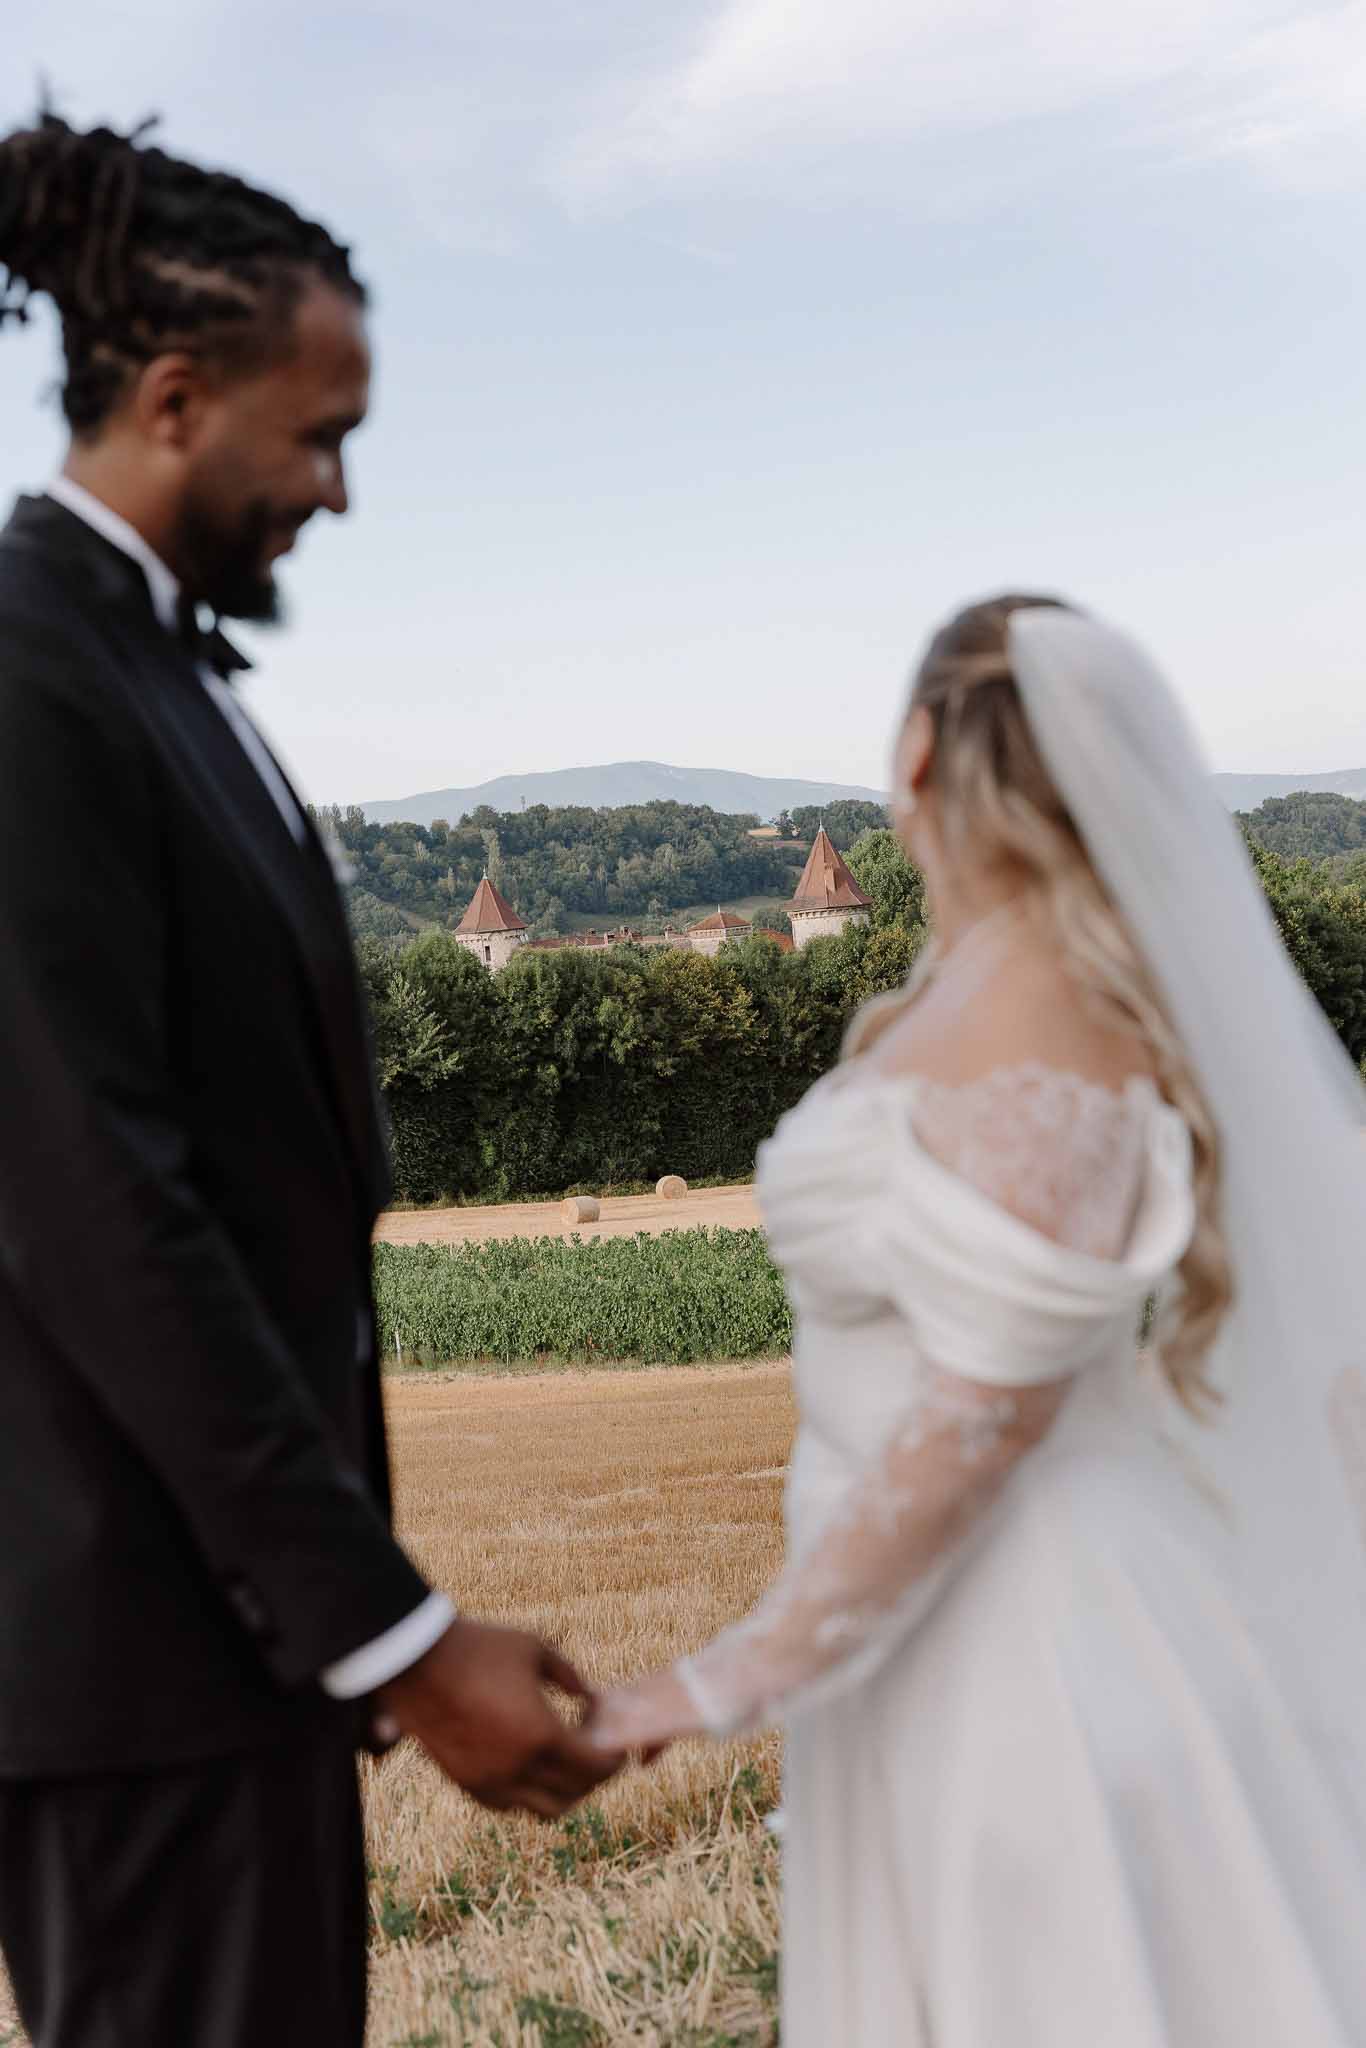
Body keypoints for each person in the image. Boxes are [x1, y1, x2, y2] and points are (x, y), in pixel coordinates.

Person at [0, 113, 620, 2048]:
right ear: (176, 399)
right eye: (319, 433)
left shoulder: (163, 678)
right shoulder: (29, 678)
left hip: (221, 1659)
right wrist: (404, 1643)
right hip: (129, 1660)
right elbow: (101, 1206)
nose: (340, 490)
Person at [592, 594, 1366, 2045]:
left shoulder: (1043, 1007)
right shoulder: (974, 989)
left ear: (919, 750)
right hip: (926, 1635)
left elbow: (981, 1416)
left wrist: (724, 1677)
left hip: (1032, 1639)